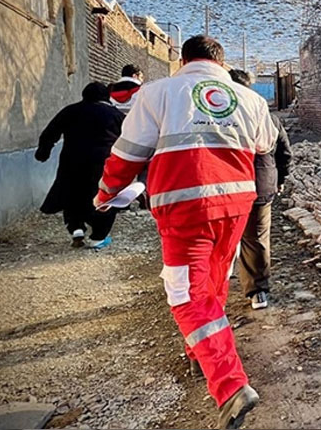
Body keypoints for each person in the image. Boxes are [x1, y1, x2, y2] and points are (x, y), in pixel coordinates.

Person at [95, 35, 277, 429]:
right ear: (222, 63)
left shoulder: (158, 92)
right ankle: (199, 352)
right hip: (235, 205)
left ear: (182, 60)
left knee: (186, 294)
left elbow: (127, 154)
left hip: (185, 207)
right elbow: (266, 143)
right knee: (211, 284)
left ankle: (230, 386)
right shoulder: (250, 98)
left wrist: (106, 192)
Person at [228, 68, 292, 311]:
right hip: (259, 184)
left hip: (223, 185)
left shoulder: (215, 116)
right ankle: (258, 291)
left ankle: (216, 283)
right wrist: (280, 179)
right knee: (256, 238)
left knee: (222, 234)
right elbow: (284, 153)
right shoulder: (267, 115)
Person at [36, 82, 124, 249]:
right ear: (106, 96)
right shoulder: (115, 114)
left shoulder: (70, 111)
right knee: (101, 196)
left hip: (72, 160)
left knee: (73, 193)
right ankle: (98, 236)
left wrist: (43, 151)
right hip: (102, 163)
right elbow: (128, 138)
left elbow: (50, 131)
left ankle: (76, 228)